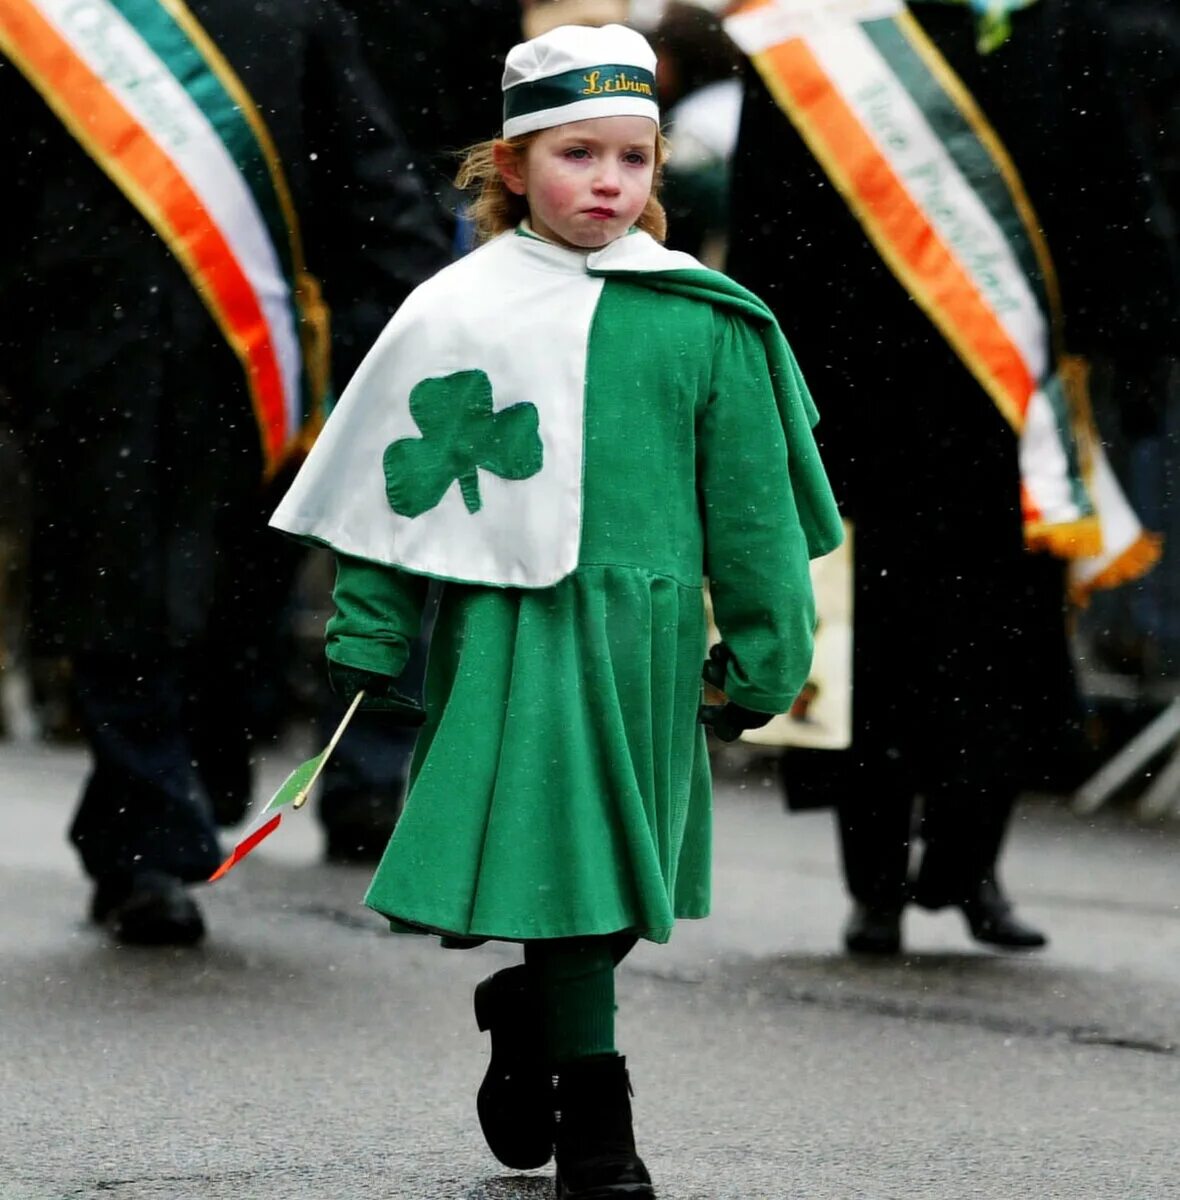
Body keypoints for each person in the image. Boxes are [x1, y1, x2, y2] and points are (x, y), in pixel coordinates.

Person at [270, 22, 842, 1197]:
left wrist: (772, 646)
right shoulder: (454, 309)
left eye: (634, 159)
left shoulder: (704, 317)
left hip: (648, 640)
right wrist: (370, 625)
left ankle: (527, 1010)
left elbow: (752, 515)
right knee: (576, 883)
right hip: (514, 637)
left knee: (619, 889)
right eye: (579, 154)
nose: (610, 183)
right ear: (513, 164)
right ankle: (599, 1119)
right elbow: (399, 485)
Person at [723, 0, 1177, 956]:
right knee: (877, 638)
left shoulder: (1062, 22)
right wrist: (761, 371)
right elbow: (768, 217)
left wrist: (1132, 336)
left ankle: (973, 863)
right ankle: (875, 879)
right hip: (856, 385)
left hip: (1009, 396)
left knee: (1001, 634)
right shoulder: (820, 32)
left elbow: (1108, 187)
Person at [0, 0, 451, 945]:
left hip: (257, 380)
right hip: (89, 363)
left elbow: (367, 180)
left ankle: (182, 788)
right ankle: (142, 856)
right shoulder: (50, 24)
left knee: (231, 622)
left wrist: (415, 327)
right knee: (119, 609)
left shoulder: (290, 14)